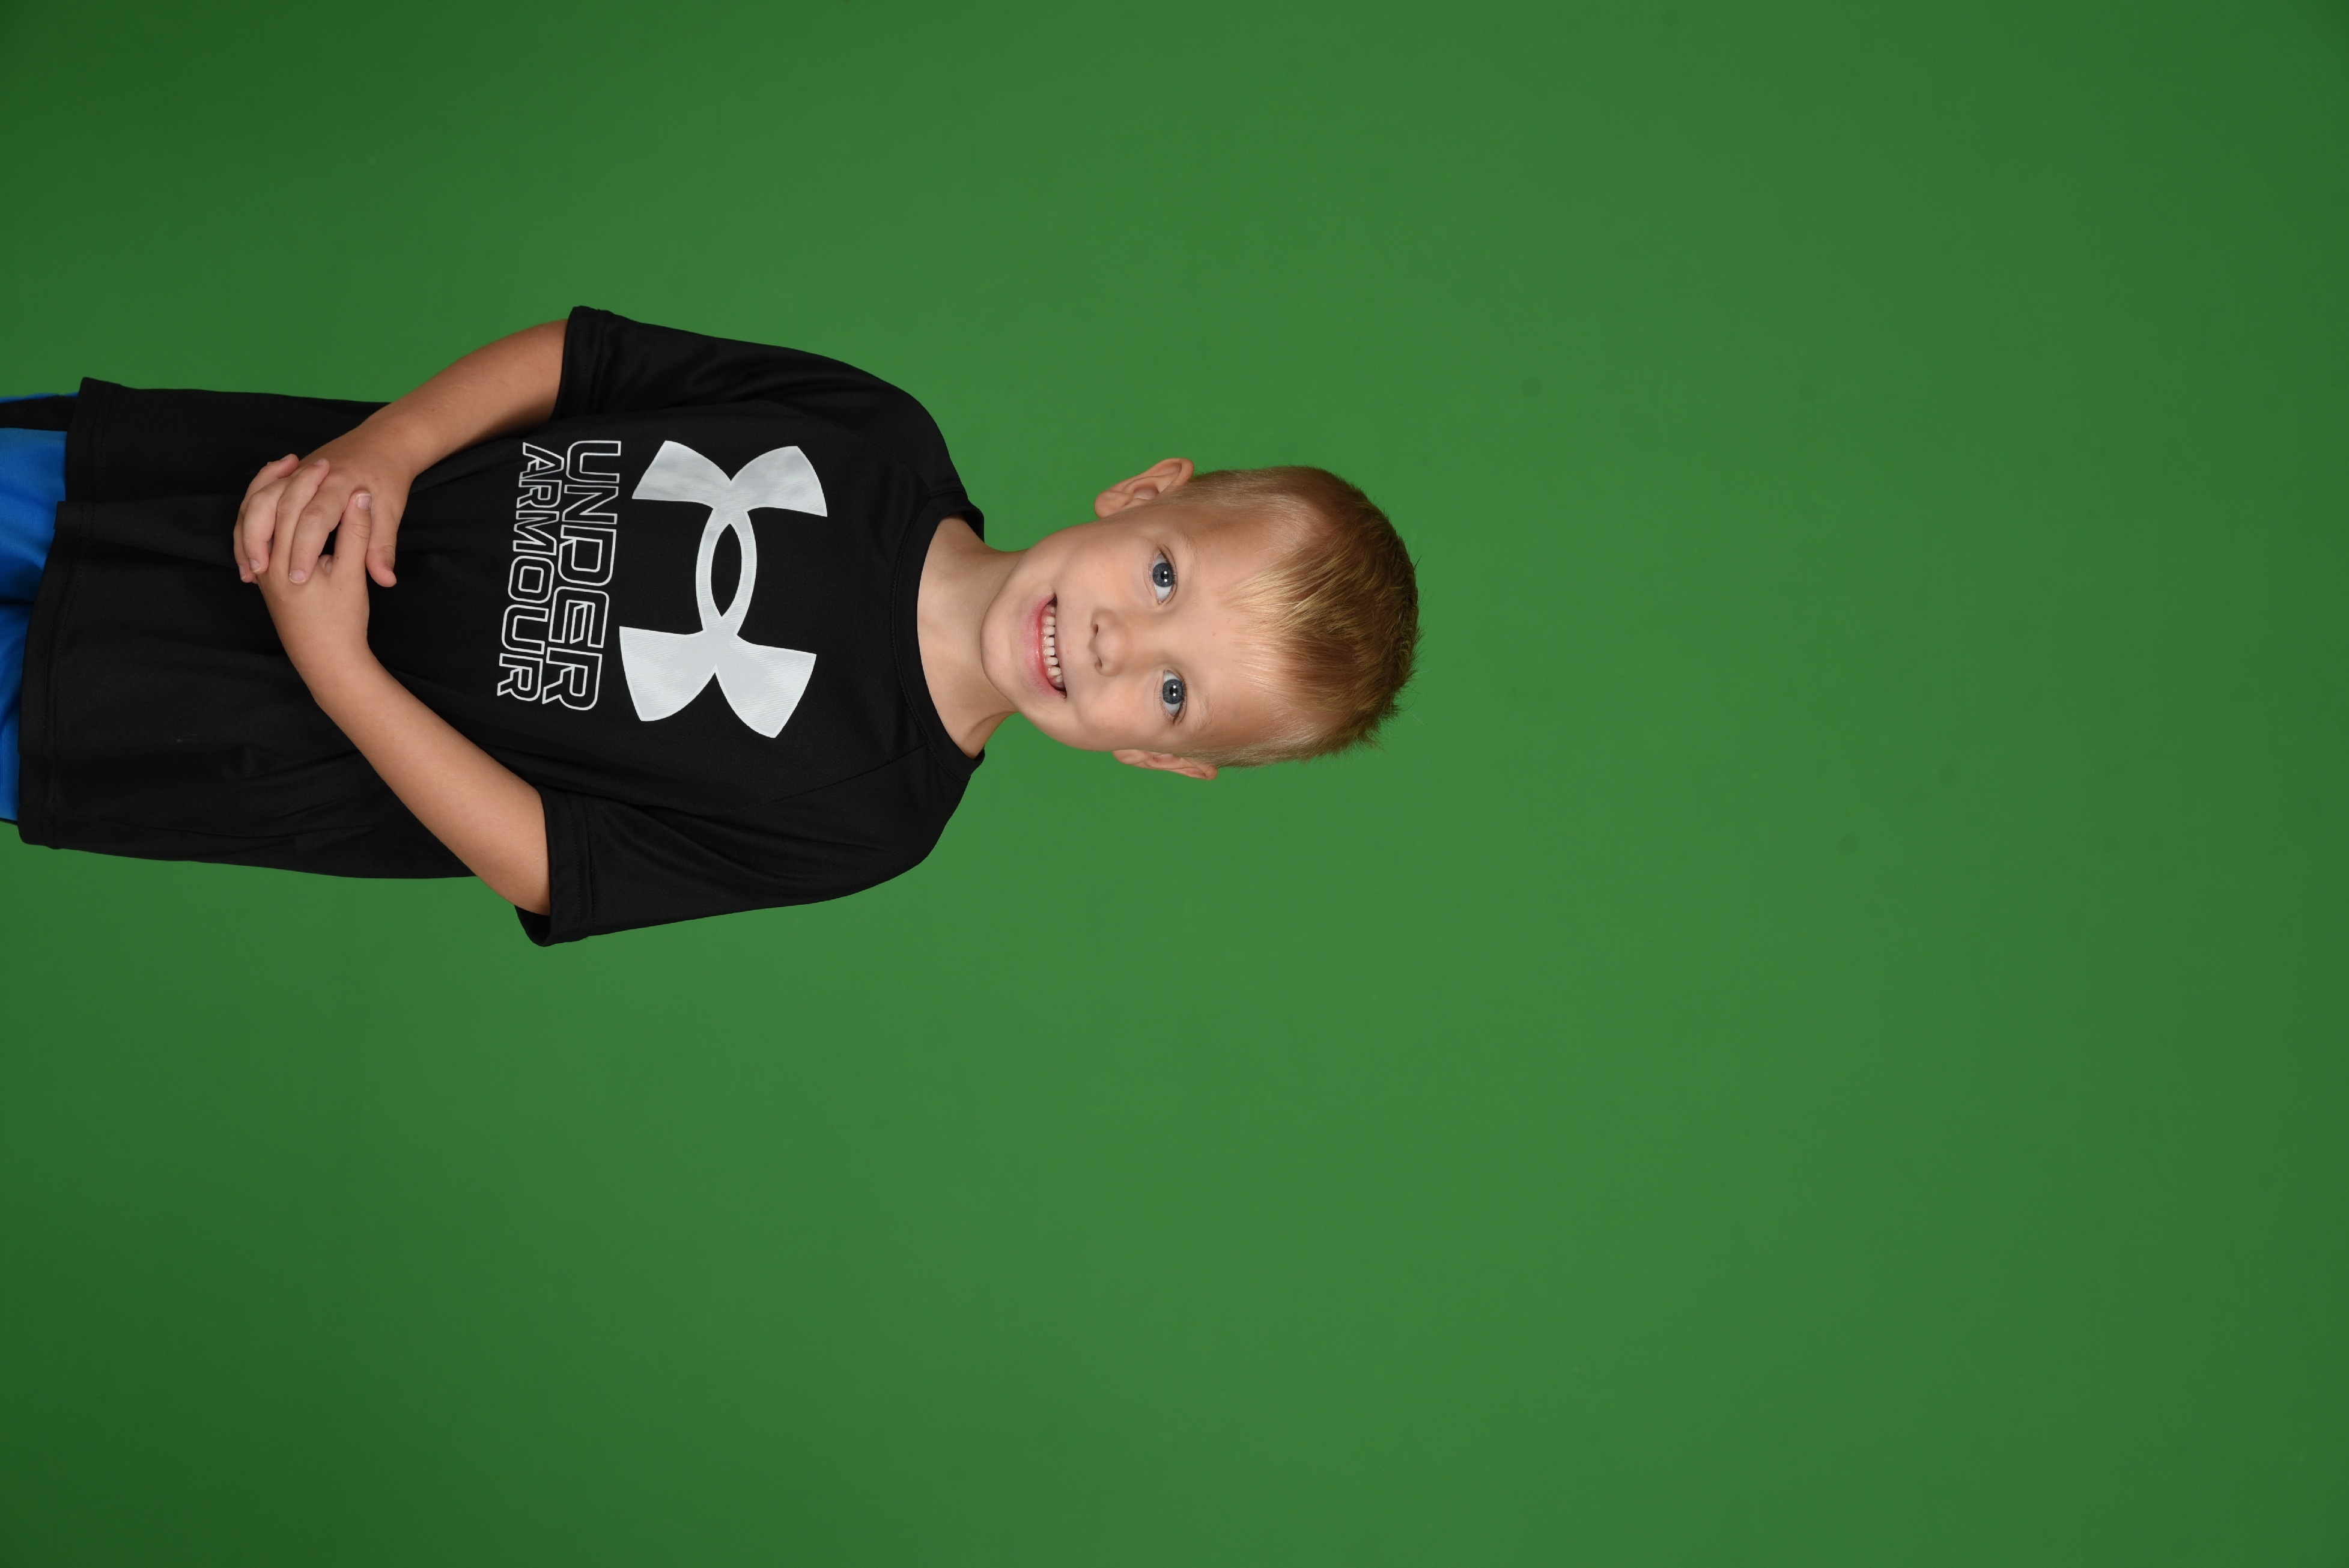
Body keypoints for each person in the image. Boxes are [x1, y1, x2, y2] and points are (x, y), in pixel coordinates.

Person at [1, 309, 1418, 943]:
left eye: (1172, 695)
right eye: (1162, 580)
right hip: (224, 499)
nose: (1117, 645)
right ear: (1143, 494)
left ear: (1161, 760)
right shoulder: (874, 437)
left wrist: (335, 665)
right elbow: (586, 363)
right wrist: (386, 449)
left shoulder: (867, 822)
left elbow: (551, 862)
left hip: (225, 727)